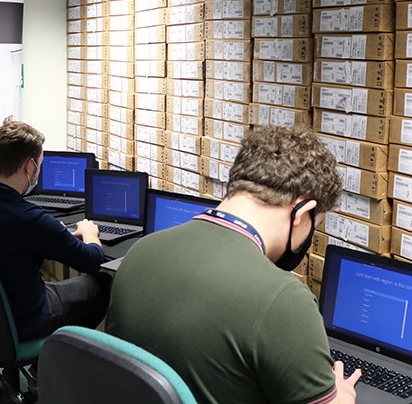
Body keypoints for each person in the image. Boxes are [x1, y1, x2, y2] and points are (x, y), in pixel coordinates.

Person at [106, 126, 361, 404]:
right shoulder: (283, 299)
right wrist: (341, 395)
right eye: (316, 224)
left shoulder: (142, 251)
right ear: (302, 212)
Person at [0, 121, 110, 342]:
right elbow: (92, 260)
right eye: (40, 165)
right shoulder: (29, 219)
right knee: (101, 284)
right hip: (23, 321)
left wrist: (51, 234)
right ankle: (55, 355)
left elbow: (4, 240)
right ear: (29, 167)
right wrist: (89, 232)